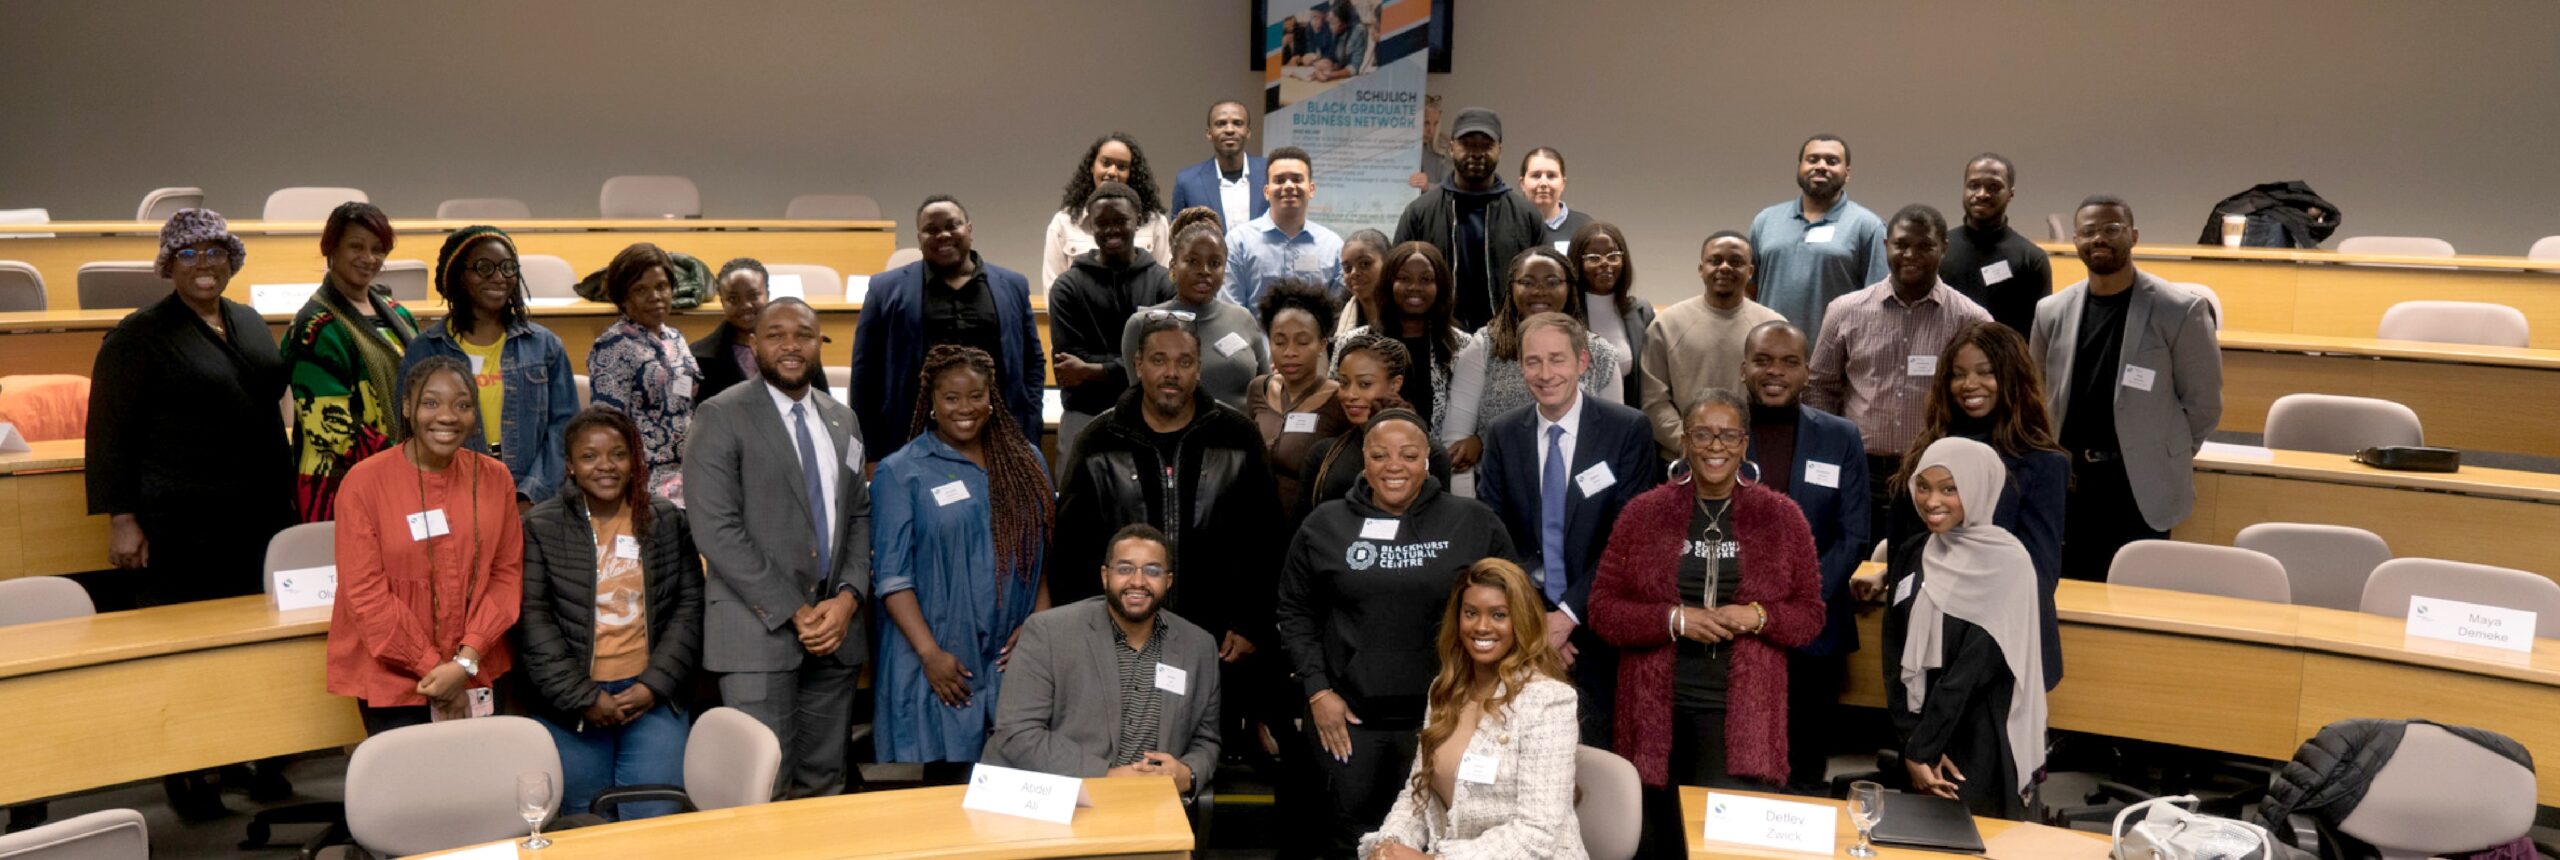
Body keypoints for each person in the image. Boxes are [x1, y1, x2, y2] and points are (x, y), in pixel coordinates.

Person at [83, 208, 298, 818]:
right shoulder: (140, 335)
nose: (205, 264)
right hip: (181, 519)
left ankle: (251, 754)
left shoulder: (249, 321)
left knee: (249, 643)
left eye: (215, 252)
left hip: (255, 514)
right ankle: (186, 771)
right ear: (167, 265)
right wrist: (121, 517)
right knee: (186, 645)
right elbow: (108, 432)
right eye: (189, 254)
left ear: (232, 260)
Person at [1587, 387, 1824, 858]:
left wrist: (1757, 616)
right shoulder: (1643, 515)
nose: (1715, 446)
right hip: (1653, 711)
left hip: (1740, 716)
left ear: (1744, 443)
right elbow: (1603, 610)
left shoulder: (1781, 518)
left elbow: (1810, 616)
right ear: (1684, 442)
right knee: (1655, 842)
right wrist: (1674, 620)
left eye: (1728, 435)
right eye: (1702, 434)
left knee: (1724, 848)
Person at [1277, 406, 1516, 856]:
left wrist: (1486, 697)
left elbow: (1513, 608)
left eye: (1408, 455)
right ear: (1363, 459)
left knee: (1437, 837)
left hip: (1444, 720)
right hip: (1348, 721)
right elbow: (1294, 612)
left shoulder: (1473, 522)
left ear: (1428, 458)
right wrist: (1316, 691)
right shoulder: (1324, 525)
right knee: (1350, 839)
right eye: (1380, 454)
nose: (1394, 466)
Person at [685, 298, 874, 799]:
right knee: (764, 790)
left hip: (836, 633)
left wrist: (849, 598)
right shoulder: (720, 415)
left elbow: (858, 515)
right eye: (776, 334)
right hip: (756, 633)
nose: (791, 345)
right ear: (753, 343)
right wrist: (796, 610)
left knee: (825, 784)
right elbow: (715, 529)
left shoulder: (843, 419)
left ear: (819, 344)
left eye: (804, 334)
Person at [1471, 313, 1660, 749]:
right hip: (1523, 629)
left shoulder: (1626, 429)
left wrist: (1568, 615)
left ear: (1582, 361)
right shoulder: (1503, 434)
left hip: (1599, 629)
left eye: (1557, 359)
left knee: (1597, 758)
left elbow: (1629, 538)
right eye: (1532, 361)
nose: (1545, 374)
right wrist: (1537, 623)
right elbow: (1494, 534)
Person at [871, 345, 1054, 779]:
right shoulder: (901, 472)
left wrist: (1039, 626)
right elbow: (893, 579)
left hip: (1013, 653)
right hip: (944, 655)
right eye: (951, 398)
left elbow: (1043, 556)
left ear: (992, 398)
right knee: (951, 791)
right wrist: (930, 654)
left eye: (976, 396)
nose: (965, 408)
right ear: (931, 403)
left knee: (1018, 782)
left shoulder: (1026, 461)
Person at [514, 406, 703, 820]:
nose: (605, 466)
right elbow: (533, 622)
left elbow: (688, 607)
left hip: (652, 695)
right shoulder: (540, 527)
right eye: (589, 456)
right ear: (570, 465)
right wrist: (583, 697)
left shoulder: (666, 519)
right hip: (573, 703)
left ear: (634, 460)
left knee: (655, 813)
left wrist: (654, 685)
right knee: (587, 821)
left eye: (618, 454)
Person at [328, 356, 524, 735]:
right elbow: (365, 594)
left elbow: (507, 575)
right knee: (411, 791)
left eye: (462, 404)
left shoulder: (495, 478)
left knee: (477, 787)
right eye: (431, 402)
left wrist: (465, 663)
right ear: (407, 407)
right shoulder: (363, 483)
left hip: (478, 663)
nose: (447, 416)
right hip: (396, 676)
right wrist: (435, 670)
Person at [2029, 196, 2221, 581]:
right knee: (2068, 595)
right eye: (2088, 231)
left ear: (2133, 236)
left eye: (2111, 229)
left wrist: (2164, 453)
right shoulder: (2050, 311)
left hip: (2137, 487)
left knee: (2132, 595)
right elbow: (2036, 395)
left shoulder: (2180, 309)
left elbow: (2203, 404)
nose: (2099, 238)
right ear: (2075, 241)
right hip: (2070, 485)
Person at [1867, 437, 2048, 820]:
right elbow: (1893, 652)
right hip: (1919, 733)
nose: (1932, 501)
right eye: (1924, 486)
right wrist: (1910, 740)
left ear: (1979, 489)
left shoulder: (2007, 564)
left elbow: (1971, 672)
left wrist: (1924, 749)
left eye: (1950, 489)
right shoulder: (1914, 551)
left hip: (1978, 739)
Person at [1358, 559, 1588, 859]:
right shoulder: (1445, 690)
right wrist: (1388, 845)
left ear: (1521, 620)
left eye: (1498, 615)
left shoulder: (1548, 701)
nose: (1481, 626)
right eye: (1470, 613)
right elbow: (1419, 795)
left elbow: (1536, 833)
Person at [1880, 322, 2067, 690]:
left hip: (1994, 644)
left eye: (1986, 372)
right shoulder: (1926, 450)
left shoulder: (2042, 462)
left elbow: (2038, 574)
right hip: (1923, 632)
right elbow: (1905, 544)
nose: (1970, 385)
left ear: (2012, 378)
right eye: (1958, 374)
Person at [984, 524, 1222, 799]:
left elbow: (1207, 741)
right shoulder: (1049, 632)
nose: (1138, 581)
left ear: (1168, 580)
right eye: (1125, 569)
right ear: (1105, 576)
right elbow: (1017, 732)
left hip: (1152, 807)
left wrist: (1187, 774)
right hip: (1057, 805)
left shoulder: (1198, 647)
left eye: (1152, 571)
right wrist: (1108, 777)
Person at [1736, 320, 1872, 790]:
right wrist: (1751, 609)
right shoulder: (1718, 431)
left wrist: (1795, 605)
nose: (1775, 371)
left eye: (1789, 361)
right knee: (1740, 763)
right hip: (1734, 627)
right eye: (1763, 360)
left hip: (1815, 632)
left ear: (1808, 371)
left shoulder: (1840, 437)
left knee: (1805, 765)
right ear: (1743, 368)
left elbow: (1853, 534)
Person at [1806, 204, 1992, 534]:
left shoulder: (1971, 320)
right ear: (1886, 245)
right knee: (1857, 564)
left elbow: (1982, 395)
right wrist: (1834, 448)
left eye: (1925, 246)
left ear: (1944, 248)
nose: (1911, 255)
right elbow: (1821, 385)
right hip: (1859, 467)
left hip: (1937, 470)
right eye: (1902, 244)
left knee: (1923, 568)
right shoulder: (1845, 311)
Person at [853, 195, 1043, 464]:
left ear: (969, 229)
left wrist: (1030, 428)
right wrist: (870, 452)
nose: (943, 235)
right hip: (912, 436)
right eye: (931, 229)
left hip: (999, 434)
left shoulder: (1013, 285)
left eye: (952, 226)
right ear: (919, 238)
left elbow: (1032, 364)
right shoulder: (885, 289)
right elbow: (865, 374)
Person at [400, 225, 579, 509]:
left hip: (533, 499)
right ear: (457, 276)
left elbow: (565, 428)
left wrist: (529, 495)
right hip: (453, 497)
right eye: (484, 267)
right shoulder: (425, 349)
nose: (499, 277)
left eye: (508, 267)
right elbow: (411, 433)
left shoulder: (545, 345)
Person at [284, 201, 420, 522]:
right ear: (330, 248)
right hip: (337, 484)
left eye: (378, 249)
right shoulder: (314, 328)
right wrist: (410, 459)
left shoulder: (395, 310)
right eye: (356, 247)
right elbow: (331, 427)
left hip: (402, 475)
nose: (369, 258)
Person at [1442, 247, 1625, 470]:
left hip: (1581, 485)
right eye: (1527, 282)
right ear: (1511, 288)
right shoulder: (1484, 347)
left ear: (1569, 288)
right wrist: (1482, 441)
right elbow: (1457, 443)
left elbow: (1614, 436)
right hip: (1502, 487)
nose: (1539, 291)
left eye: (1552, 282)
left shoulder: (1600, 353)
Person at [1048, 182, 1176, 478]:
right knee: (1078, 509)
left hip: (1150, 415)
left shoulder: (1161, 284)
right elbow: (1069, 369)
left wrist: (1093, 370)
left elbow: (1162, 363)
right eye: (1102, 223)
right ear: (1091, 225)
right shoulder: (1068, 287)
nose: (1111, 230)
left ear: (1138, 221)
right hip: (1085, 414)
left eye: (1120, 221)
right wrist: (1132, 366)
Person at [1393, 107, 1545, 331]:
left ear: (1500, 150)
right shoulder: (1419, 212)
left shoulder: (1526, 215)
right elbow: (1394, 278)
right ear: (1452, 148)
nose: (1477, 153)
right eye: (1467, 145)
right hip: (1438, 338)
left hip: (1507, 340)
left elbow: (1545, 281)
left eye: (1486, 145)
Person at [1638, 231, 1785, 459]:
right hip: (1684, 458)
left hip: (1753, 458)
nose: (1725, 267)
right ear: (1701, 268)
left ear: (1750, 271)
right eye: (1715, 260)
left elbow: (1783, 399)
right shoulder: (1667, 324)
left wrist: (1744, 448)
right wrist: (1691, 445)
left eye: (1736, 262)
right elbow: (1653, 401)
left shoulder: (1773, 326)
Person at [1121, 208, 1270, 412]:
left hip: (1240, 439)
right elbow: (1138, 404)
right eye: (1192, 261)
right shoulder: (1143, 324)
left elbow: (1266, 392)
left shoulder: (1242, 318)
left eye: (1215, 263)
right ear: (1173, 266)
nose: (1204, 271)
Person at [587, 242, 704, 502]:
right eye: (641, 290)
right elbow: (610, 426)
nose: (655, 297)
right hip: (646, 483)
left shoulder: (676, 338)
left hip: (690, 472)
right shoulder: (612, 346)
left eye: (661, 286)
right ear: (623, 298)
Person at [1747, 135, 1888, 336]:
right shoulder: (1766, 220)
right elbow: (1749, 289)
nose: (1821, 166)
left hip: (1836, 356)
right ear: (1799, 167)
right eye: (1812, 160)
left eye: (1832, 161)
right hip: (1772, 352)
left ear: (1847, 173)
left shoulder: (1868, 225)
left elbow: (1877, 300)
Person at [1299, 334, 1452, 517]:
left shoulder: (1430, 454)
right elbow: (1303, 530)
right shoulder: (1323, 455)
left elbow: (1441, 529)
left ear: (1395, 384)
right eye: (1344, 383)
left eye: (1364, 384)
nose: (1350, 394)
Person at [1248, 278, 1349, 526]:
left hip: (1311, 528)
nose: (1290, 351)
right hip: (1255, 528)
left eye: (1302, 342)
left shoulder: (1340, 400)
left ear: (1322, 345)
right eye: (1279, 342)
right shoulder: (1257, 389)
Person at [1344, 241, 1463, 432]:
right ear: (1388, 283)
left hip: (1441, 457)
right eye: (1404, 278)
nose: (1415, 287)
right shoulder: (1352, 341)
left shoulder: (1463, 345)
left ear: (1440, 286)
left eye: (1426, 280)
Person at [1041, 132, 1173, 289]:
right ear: (1092, 167)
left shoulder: (1155, 222)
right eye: (1105, 163)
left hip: (1142, 312)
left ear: (1132, 174)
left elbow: (1165, 284)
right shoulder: (1063, 222)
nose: (1112, 172)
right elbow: (1054, 289)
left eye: (1122, 167)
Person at [1940, 154, 2051, 336]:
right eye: (1974, 186)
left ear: (2010, 193)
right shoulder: (1939, 250)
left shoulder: (2031, 258)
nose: (1982, 194)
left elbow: (2039, 334)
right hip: (1946, 361)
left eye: (1994, 187)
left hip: (2005, 362)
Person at [692, 257, 831, 402]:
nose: (745, 305)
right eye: (733, 299)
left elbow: (822, 402)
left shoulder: (799, 346)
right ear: (722, 301)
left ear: (768, 294)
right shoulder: (701, 358)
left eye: (753, 296)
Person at [1226, 146, 1344, 307]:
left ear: (1311, 189)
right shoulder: (1239, 242)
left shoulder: (1332, 246)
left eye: (1297, 179)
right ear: (1266, 192)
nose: (1288, 186)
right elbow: (1231, 309)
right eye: (1279, 180)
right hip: (1251, 333)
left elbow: (1339, 313)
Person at [1568, 221, 1652, 408]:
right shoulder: (1565, 315)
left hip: (1628, 422)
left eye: (1613, 256)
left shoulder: (1641, 312)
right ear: (1577, 263)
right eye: (1593, 257)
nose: (1605, 263)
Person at [1171, 100, 1269, 231]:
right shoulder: (1187, 182)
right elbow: (1177, 239)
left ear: (1248, 132)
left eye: (1237, 123)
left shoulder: (1271, 173)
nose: (1229, 130)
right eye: (1221, 124)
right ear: (1209, 133)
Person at [1521, 147, 1593, 249]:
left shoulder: (1585, 227)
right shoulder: (1510, 226)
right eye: (1536, 175)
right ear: (1522, 183)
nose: (1543, 183)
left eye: (1551, 176)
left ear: (1563, 184)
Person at [1331, 229, 1392, 338]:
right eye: (1347, 268)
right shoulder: (1337, 324)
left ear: (1387, 263)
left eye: (1364, 264)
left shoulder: (1409, 318)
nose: (1354, 273)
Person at [1308, 0, 1373, 81]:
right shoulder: (1336, 30)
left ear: (1345, 24)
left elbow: (1354, 68)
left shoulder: (1359, 31)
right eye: (1330, 21)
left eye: (1334, 23)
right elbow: (1334, 58)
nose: (1330, 27)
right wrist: (1327, 63)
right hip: (1338, 77)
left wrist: (1331, 75)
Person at [1408, 96, 1454, 192]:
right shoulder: (1400, 146)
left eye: (1435, 123)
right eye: (1426, 123)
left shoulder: (1446, 147)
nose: (1431, 131)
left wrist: (1427, 186)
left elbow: (1450, 189)